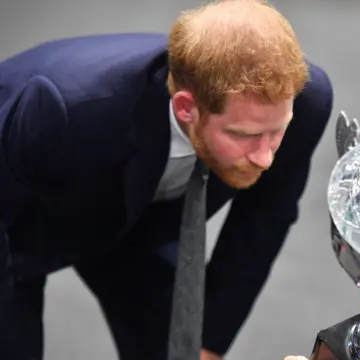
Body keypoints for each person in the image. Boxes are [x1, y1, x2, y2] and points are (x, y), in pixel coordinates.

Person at [0, 0, 333, 360]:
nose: (265, 157)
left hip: (147, 220)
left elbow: (264, 218)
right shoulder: (62, 107)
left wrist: (207, 344)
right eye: (244, 134)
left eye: (276, 131)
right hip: (26, 224)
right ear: (186, 107)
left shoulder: (307, 103)